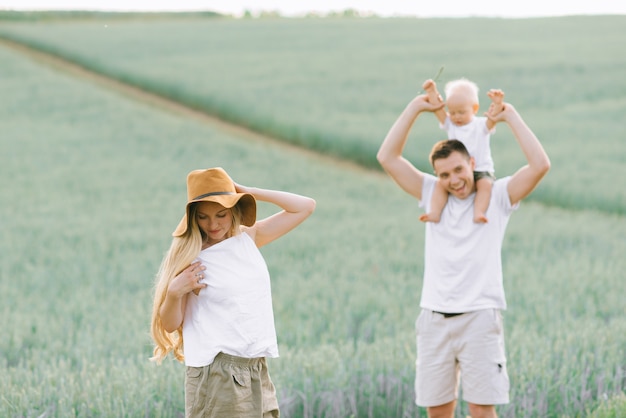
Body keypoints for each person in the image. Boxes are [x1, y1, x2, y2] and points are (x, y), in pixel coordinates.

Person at [377, 91, 550, 417]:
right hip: (433, 319)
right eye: (444, 175)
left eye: (458, 170)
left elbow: (540, 165)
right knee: (437, 412)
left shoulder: (498, 197)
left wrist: (508, 116)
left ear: (472, 163)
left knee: (482, 412)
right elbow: (387, 157)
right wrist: (415, 106)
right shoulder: (430, 194)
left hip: (480, 319)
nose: (453, 181)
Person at [150, 167, 316, 418]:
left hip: (255, 366)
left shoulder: (248, 237)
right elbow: (171, 324)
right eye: (203, 217)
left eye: (221, 214)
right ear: (193, 217)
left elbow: (305, 206)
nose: (213, 224)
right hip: (218, 372)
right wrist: (174, 292)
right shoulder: (193, 258)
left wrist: (250, 192)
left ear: (234, 210)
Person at [420, 78, 505, 223]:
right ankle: (434, 212)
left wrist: (498, 104)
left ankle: (479, 212)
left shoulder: (480, 125)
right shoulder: (451, 125)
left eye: (461, 112)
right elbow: (438, 109)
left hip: (481, 169)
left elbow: (493, 119)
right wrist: (431, 91)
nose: (456, 117)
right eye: (452, 112)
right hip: (456, 170)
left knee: (485, 187)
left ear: (475, 108)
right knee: (440, 186)